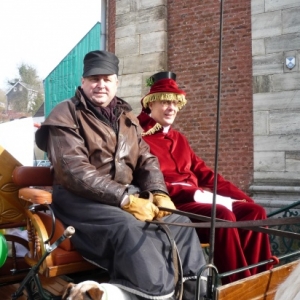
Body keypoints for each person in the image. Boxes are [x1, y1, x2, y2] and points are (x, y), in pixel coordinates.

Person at [35, 51, 207, 300]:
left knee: (180, 224)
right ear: (83, 82)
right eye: (94, 79)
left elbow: (146, 159)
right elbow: (74, 171)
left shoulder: (127, 117)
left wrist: (159, 194)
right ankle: (156, 294)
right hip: (81, 202)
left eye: (107, 79)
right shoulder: (66, 114)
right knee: (130, 229)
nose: (100, 85)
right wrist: (126, 199)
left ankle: (195, 292)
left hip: (125, 197)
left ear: (116, 82)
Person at [137, 71, 273, 285]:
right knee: (222, 215)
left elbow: (206, 175)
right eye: (164, 102)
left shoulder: (179, 138)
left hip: (198, 199)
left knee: (255, 212)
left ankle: (262, 280)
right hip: (173, 204)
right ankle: (237, 286)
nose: (171, 108)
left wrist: (242, 198)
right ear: (150, 104)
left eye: (175, 102)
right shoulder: (139, 137)